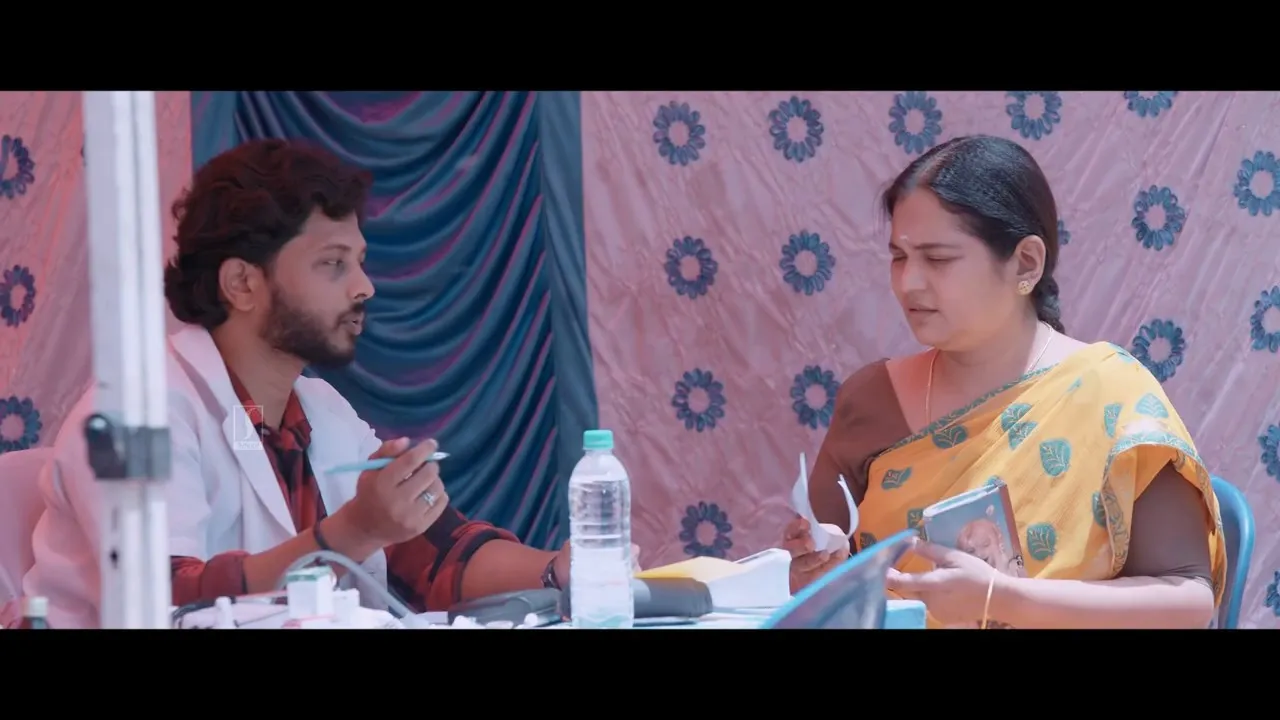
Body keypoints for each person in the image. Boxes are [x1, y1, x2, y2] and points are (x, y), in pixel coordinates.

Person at [19, 139, 614, 629]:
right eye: (333, 263)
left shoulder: (320, 410)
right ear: (242, 283)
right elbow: (167, 602)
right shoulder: (140, 413)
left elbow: (434, 552)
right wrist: (356, 530)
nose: (364, 287)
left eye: (360, 261)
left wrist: (561, 570)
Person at [781, 135, 1226, 629]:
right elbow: (819, 587)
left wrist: (1002, 598)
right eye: (899, 257)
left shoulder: (1110, 395)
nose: (908, 283)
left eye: (937, 259)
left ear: (1026, 262)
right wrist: (813, 571)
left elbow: (1187, 601)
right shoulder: (871, 400)